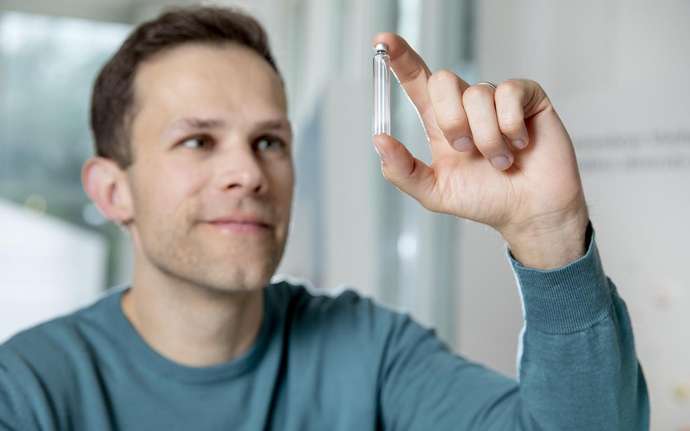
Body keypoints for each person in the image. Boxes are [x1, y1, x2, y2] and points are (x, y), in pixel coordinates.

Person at [0, 5, 649, 430]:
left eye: (269, 141)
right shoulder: (28, 390)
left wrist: (549, 236)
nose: (249, 173)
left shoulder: (370, 352)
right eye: (198, 140)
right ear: (113, 191)